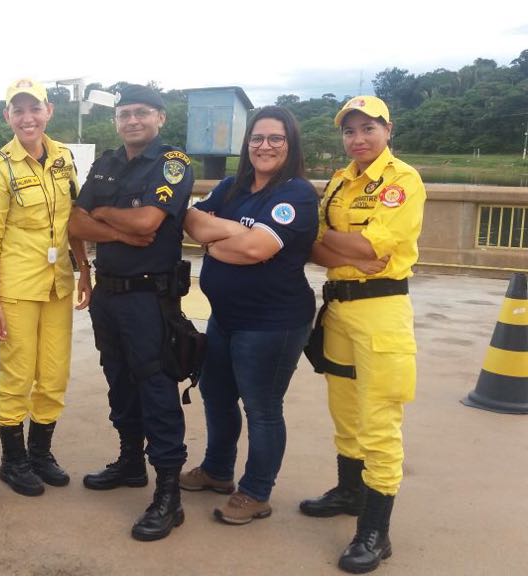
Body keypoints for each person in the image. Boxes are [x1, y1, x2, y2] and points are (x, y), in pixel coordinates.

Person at [302, 95, 424, 574]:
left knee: (379, 419)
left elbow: (374, 245)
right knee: (345, 409)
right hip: (338, 309)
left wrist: (336, 240)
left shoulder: (401, 181)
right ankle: (349, 491)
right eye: (350, 131)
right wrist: (343, 246)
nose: (358, 138)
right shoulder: (339, 181)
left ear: (388, 129)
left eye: (368, 128)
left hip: (381, 312)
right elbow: (315, 246)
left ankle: (376, 530)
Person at [181, 106, 318, 525]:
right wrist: (237, 235)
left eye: (276, 138)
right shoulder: (232, 186)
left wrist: (218, 239)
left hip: (273, 324)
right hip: (225, 318)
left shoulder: (296, 193)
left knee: (261, 408)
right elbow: (190, 219)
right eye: (257, 138)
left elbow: (258, 249)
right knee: (217, 396)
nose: (265, 146)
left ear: (290, 145)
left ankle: (256, 491)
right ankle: (218, 471)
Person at [69, 84, 193, 541]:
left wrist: (103, 216)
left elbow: (149, 224)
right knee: (118, 379)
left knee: (156, 387)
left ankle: (168, 497)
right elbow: (74, 223)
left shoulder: (172, 164)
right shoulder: (106, 163)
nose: (133, 121)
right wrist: (117, 223)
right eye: (124, 114)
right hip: (108, 294)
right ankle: (129, 462)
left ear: (160, 117)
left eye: (142, 112)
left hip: (148, 298)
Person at [0, 79, 91, 497]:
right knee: (18, 373)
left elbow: (74, 218)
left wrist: (84, 270)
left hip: (58, 283)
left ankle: (41, 453)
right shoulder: (0, 166)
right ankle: (13, 459)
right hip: (17, 286)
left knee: (54, 373)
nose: (27, 118)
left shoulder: (63, 157)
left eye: (34, 108)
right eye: (18, 110)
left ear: (48, 111)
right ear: (7, 116)